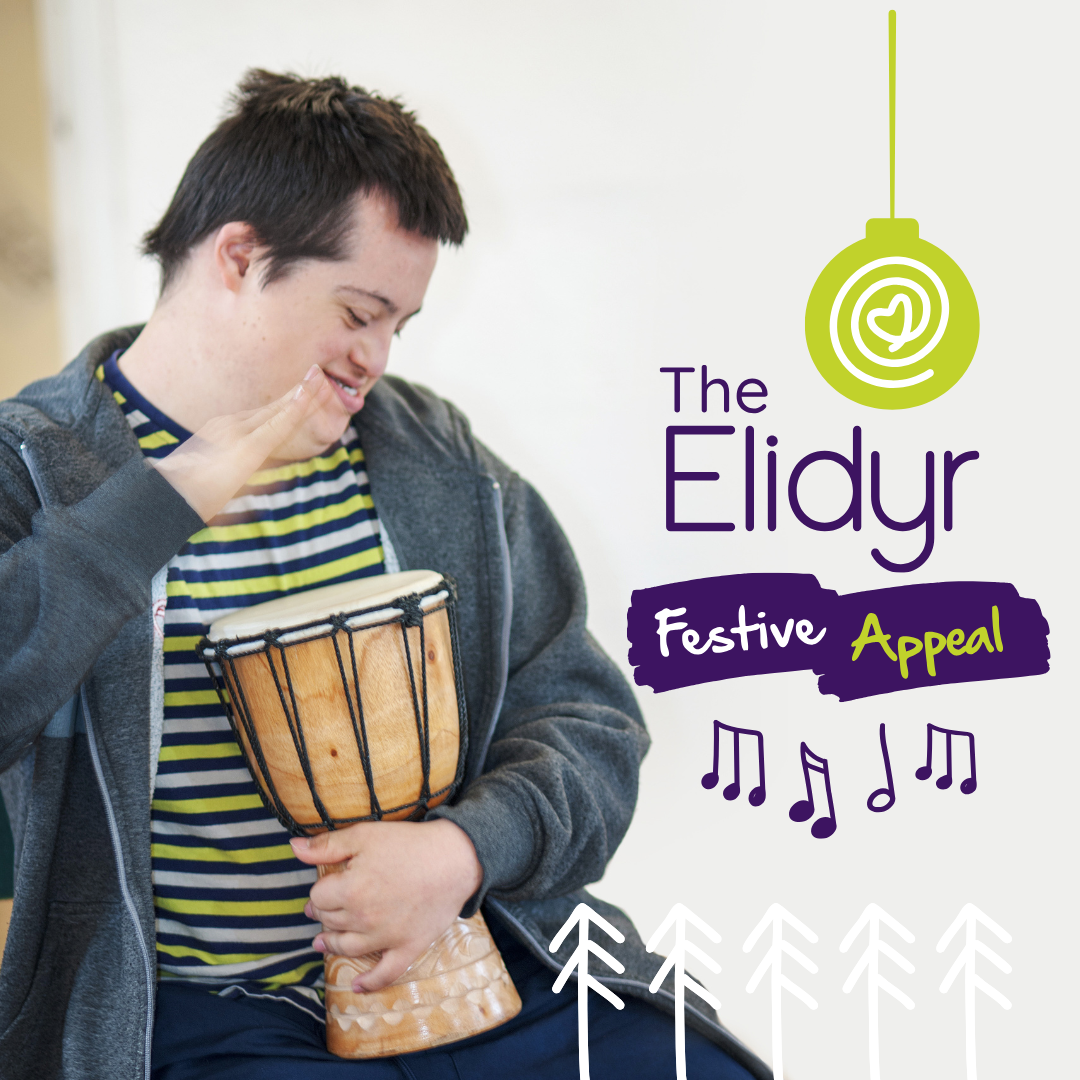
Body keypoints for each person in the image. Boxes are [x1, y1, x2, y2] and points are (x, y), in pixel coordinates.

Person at [0, 71, 768, 1080]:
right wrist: (172, 495)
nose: (376, 357)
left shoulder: (425, 450)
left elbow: (593, 724)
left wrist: (462, 854)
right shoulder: (33, 465)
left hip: (486, 964)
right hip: (204, 1015)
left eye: (398, 324)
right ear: (240, 256)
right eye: (358, 311)